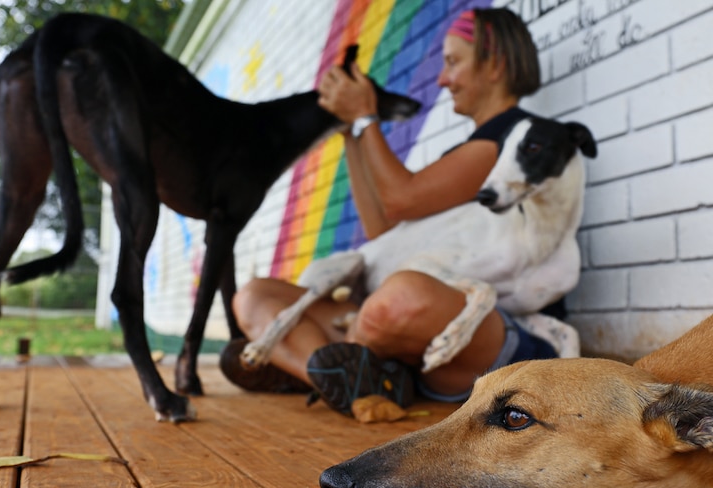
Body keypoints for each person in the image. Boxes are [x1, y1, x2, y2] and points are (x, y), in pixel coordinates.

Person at [220, 8, 559, 414]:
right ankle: (348, 380)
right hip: (403, 334)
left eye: (452, 62)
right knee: (254, 297)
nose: (442, 79)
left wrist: (366, 116)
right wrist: (349, 131)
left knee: (398, 296)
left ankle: (310, 365)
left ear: (495, 65)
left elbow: (400, 199)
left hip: (485, 327)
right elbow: (382, 225)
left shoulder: (512, 143)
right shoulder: (467, 150)